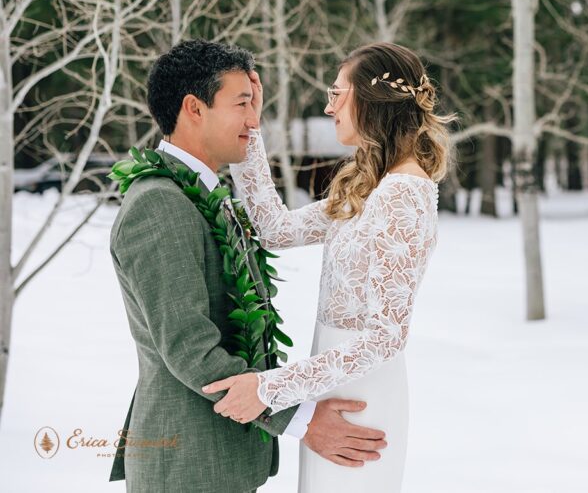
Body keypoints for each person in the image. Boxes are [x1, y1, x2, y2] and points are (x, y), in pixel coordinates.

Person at [108, 40, 388, 492]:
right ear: (194, 108)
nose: (254, 120)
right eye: (242, 104)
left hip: (220, 460)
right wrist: (301, 420)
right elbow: (191, 350)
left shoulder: (202, 196)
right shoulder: (159, 206)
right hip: (187, 464)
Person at [201, 41, 455, 492]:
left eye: (337, 93)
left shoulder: (403, 194)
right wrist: (250, 128)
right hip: (331, 382)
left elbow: (385, 337)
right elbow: (275, 229)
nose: (328, 105)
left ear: (372, 100)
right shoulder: (372, 187)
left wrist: (270, 388)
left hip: (364, 398)